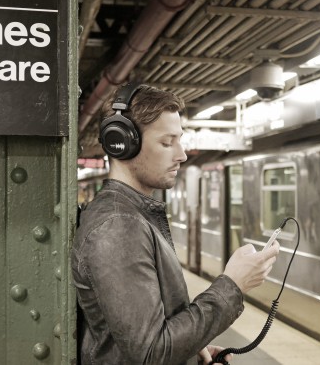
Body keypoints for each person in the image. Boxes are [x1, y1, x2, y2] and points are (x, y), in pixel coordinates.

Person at [71, 83, 280, 365]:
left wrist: (191, 350)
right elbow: (152, 352)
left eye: (179, 140)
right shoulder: (117, 226)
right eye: (167, 143)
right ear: (122, 143)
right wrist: (233, 285)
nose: (181, 154)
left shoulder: (132, 215)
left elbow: (149, 330)